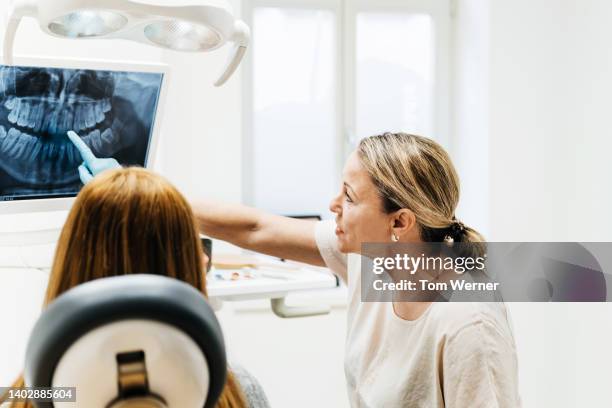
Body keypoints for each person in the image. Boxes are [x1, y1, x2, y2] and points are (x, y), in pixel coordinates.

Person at [70, 131, 521, 407]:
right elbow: (256, 227)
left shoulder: (467, 322)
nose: (332, 206)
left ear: (399, 222)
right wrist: (143, 188)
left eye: (349, 196)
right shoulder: (374, 260)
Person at [1, 167, 270, 408]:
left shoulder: (33, 396)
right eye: (192, 244)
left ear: (73, 256)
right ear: (182, 259)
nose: (205, 257)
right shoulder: (237, 392)